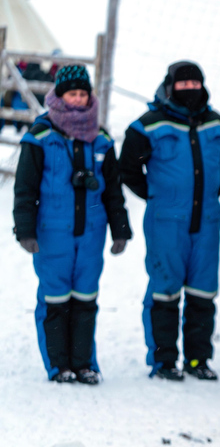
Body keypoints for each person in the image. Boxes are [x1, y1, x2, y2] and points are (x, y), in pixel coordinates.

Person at [13, 64, 132, 385]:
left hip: (91, 236)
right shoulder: (40, 137)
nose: (78, 100)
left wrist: (120, 229)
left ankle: (84, 363)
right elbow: (25, 188)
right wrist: (24, 229)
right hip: (52, 234)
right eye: (72, 94)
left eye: (83, 94)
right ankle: (58, 364)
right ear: (60, 95)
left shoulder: (102, 139)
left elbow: (114, 191)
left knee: (85, 300)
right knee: (55, 300)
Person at [119, 61, 220, 381]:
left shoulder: (218, 125)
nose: (188, 89)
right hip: (165, 222)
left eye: (194, 83)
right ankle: (165, 360)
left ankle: (198, 360)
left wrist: (206, 195)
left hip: (207, 222)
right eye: (181, 84)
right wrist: (157, 196)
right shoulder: (147, 125)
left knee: (202, 293)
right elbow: (127, 169)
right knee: (165, 291)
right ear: (169, 86)